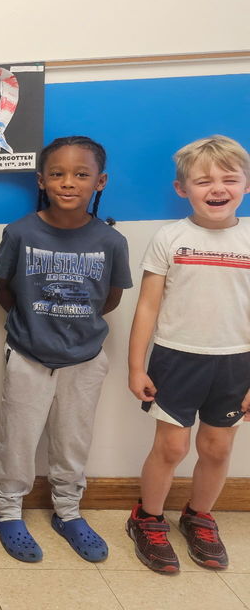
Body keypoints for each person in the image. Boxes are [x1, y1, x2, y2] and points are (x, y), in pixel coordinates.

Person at [0, 136, 131, 564]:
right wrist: (34, 328)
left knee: (73, 441)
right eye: (57, 174)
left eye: (81, 174)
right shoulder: (19, 232)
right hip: (29, 356)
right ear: (42, 180)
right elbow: (3, 288)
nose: (68, 182)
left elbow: (110, 299)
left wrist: (74, 327)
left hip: (85, 359)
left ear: (100, 181)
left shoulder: (111, 241)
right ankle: (8, 511)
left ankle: (68, 512)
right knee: (17, 439)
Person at [126, 135, 250, 573]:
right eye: (203, 181)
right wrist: (136, 365)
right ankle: (148, 518)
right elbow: (147, 306)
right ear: (183, 189)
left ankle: (199, 517)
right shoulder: (170, 237)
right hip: (177, 359)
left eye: (229, 179)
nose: (216, 188)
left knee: (217, 448)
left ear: (246, 185)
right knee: (172, 447)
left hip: (237, 363)